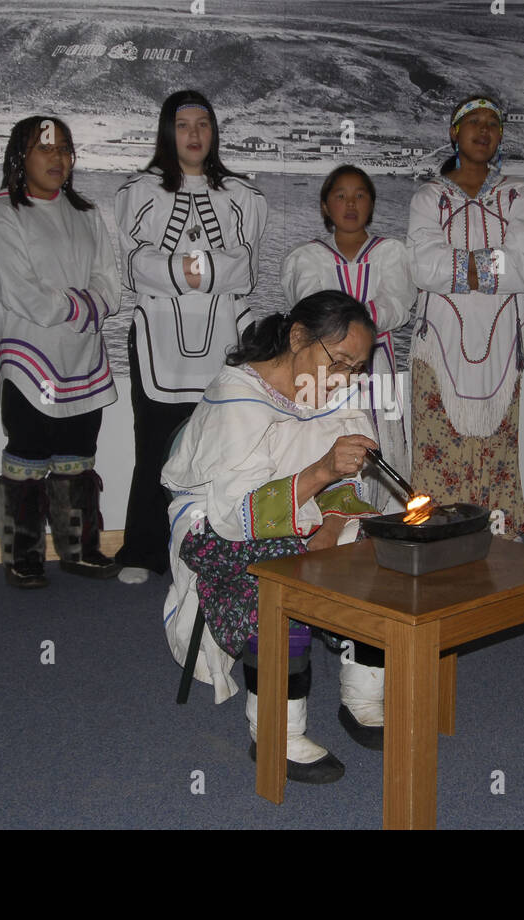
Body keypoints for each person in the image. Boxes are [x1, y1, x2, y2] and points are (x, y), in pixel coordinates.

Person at [162, 291, 383, 783]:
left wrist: (330, 529)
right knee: (285, 572)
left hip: (301, 512)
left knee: (378, 553)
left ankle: (363, 697)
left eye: (357, 367)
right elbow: (234, 516)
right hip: (217, 524)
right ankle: (276, 734)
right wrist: (324, 469)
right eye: (340, 361)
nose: (346, 378)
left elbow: (345, 486)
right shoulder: (238, 397)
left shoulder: (332, 392)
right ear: (299, 337)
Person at [113, 90, 267, 585]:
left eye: (203, 124)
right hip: (157, 338)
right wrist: (199, 272)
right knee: (154, 444)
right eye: (183, 125)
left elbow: (245, 270)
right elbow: (135, 268)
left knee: (222, 442)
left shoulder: (244, 195)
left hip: (225, 334)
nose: (195, 134)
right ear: (167, 131)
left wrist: (180, 269)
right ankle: (144, 548)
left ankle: (220, 543)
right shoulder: (136, 192)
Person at [0, 115, 122, 588]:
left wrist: (79, 306)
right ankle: (25, 555)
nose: (57, 158)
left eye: (64, 149)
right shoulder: (1, 214)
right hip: (30, 358)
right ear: (20, 156)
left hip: (84, 356)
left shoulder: (87, 214)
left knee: (79, 456)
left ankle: (80, 548)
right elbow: (24, 296)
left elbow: (110, 286)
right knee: (28, 459)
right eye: (45, 148)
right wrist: (82, 305)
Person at [407, 94, 524, 537]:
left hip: (502, 340)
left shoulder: (517, 194)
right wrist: (493, 264)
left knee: (498, 445)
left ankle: (497, 536)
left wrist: (459, 265)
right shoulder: (428, 196)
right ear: (454, 133)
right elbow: (424, 268)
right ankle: (434, 536)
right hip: (439, 343)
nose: (484, 130)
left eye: (493, 124)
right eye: (473, 122)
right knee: (437, 444)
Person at [280, 164, 414, 510]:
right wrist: (363, 316)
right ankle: (330, 515)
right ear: (326, 206)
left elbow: (397, 306)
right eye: (340, 196)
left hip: (377, 363)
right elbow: (309, 307)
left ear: (372, 203)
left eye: (360, 195)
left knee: (382, 433)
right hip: (324, 366)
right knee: (326, 432)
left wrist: (345, 319)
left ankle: (386, 514)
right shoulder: (308, 256)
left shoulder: (390, 252)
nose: (350, 204)